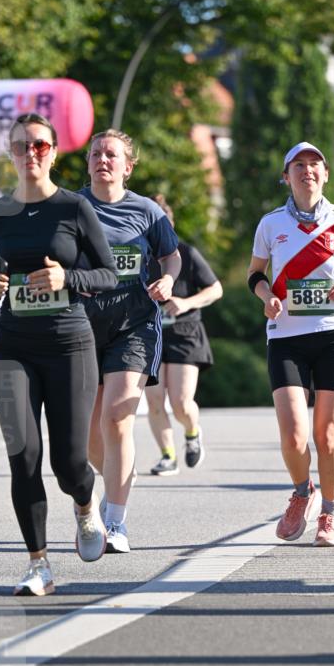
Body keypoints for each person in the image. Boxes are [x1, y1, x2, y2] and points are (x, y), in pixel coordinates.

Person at [0, 113, 118, 596]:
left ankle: (87, 508)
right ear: (10, 153)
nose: (31, 154)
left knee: (70, 463)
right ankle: (39, 564)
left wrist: (66, 278)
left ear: (54, 152)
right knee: (23, 457)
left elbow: (109, 275)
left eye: (41, 146)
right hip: (13, 347)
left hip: (69, 344)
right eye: (22, 146)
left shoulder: (73, 209)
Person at [247, 141, 334, 548]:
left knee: (328, 435)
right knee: (293, 436)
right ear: (286, 176)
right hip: (286, 336)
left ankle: (330, 514)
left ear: (325, 175)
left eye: (315, 164)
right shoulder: (270, 224)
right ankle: (303, 492)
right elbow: (254, 274)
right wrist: (266, 295)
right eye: (298, 165)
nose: (308, 171)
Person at [79, 130, 181, 553]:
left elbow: (170, 254)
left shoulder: (147, 211)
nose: (103, 159)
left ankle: (116, 521)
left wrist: (169, 278)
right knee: (88, 433)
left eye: (112, 154)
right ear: (88, 163)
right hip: (81, 326)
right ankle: (116, 481)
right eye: (96, 153)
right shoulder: (72, 206)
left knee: (118, 417)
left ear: (128, 165)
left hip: (133, 324)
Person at [146, 195, 223, 475]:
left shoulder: (186, 254)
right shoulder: (139, 256)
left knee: (179, 402)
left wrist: (186, 303)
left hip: (185, 332)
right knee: (154, 400)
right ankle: (167, 456)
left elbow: (216, 289)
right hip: (150, 336)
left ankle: (192, 432)